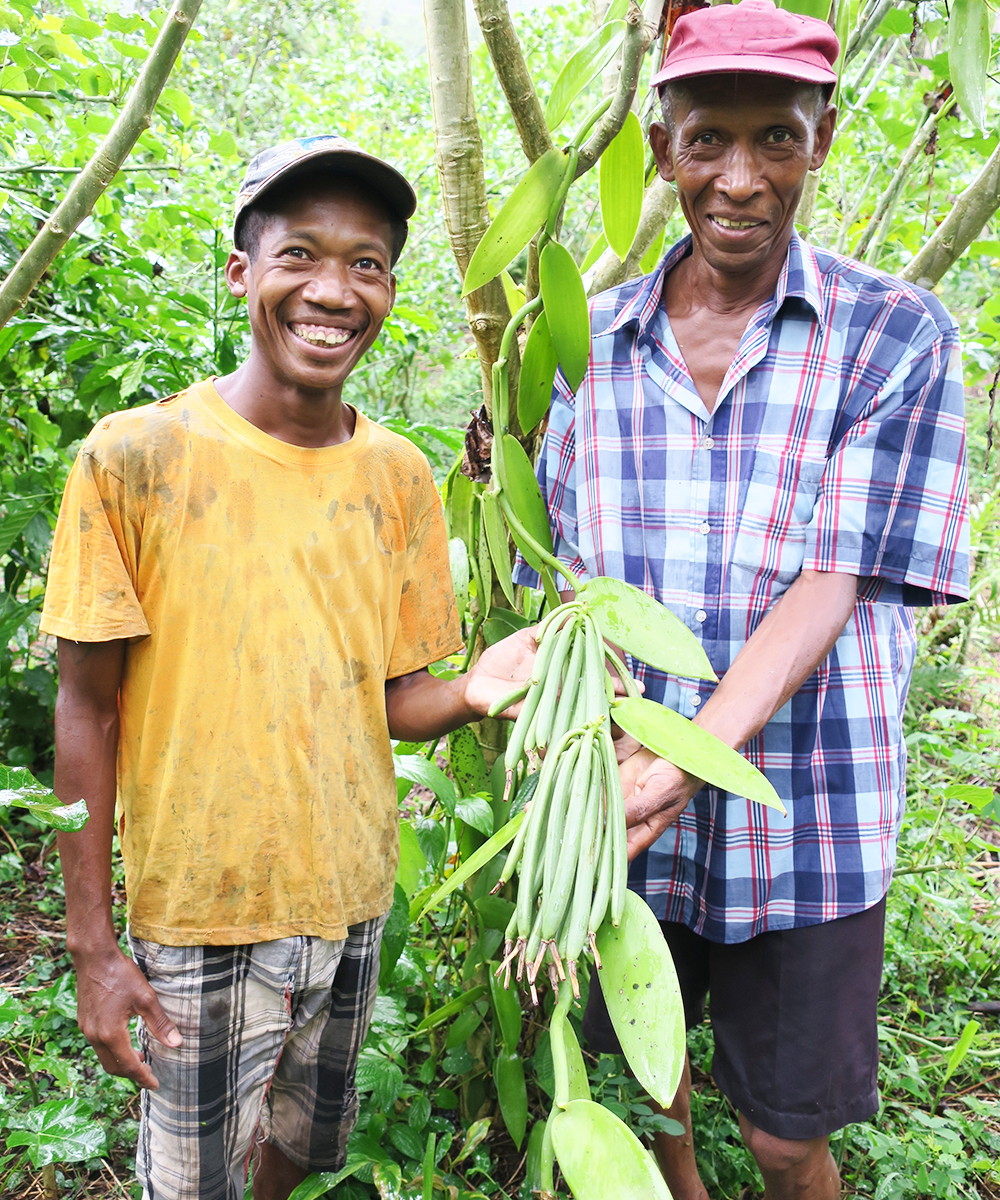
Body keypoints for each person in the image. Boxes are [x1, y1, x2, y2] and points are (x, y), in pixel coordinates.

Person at [514, 4, 970, 1198]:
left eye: (776, 138)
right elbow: (562, 585)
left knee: (784, 1135)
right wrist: (600, 754)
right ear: (661, 148)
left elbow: (837, 574)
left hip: (806, 818)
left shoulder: (895, 338)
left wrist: (685, 760)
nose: (739, 178)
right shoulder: (586, 344)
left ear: (823, 138)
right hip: (617, 817)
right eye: (708, 139)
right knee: (643, 1094)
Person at [41, 136, 537, 1200]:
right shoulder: (134, 457)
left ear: (390, 289)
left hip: (351, 902)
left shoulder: (398, 476)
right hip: (198, 916)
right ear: (241, 273)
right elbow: (84, 711)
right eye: (300, 255)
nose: (333, 290)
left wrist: (476, 689)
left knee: (302, 1154)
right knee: (195, 1182)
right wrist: (93, 947)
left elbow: (396, 699)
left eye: (366, 265)